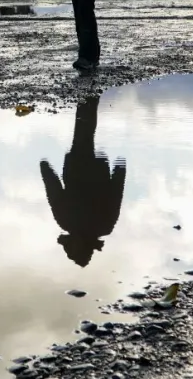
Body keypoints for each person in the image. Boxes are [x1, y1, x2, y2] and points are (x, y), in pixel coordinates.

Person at [39, 96, 126, 267]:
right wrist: (45, 169)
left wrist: (120, 170)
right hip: (78, 170)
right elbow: (54, 190)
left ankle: (88, 97)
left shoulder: (103, 227)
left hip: (89, 170)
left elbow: (116, 196)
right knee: (83, 135)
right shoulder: (68, 222)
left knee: (83, 135)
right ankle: (88, 96)